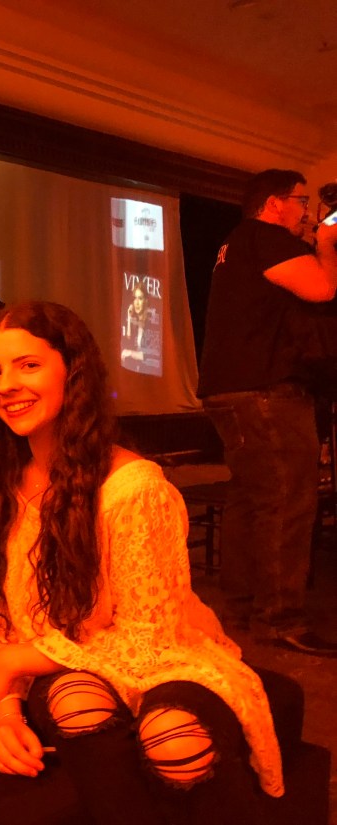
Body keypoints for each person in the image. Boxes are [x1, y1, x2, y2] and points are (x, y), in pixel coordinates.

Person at [0, 301, 282, 825]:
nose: (7, 385)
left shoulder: (132, 487)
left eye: (28, 365)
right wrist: (4, 713)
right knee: (76, 700)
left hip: (161, 660)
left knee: (174, 738)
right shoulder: (0, 486)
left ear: (73, 371)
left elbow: (148, 639)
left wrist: (20, 659)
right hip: (66, 674)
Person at [197, 168, 337, 655]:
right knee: (287, 501)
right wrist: (327, 245)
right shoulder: (265, 237)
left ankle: (241, 606)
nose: (307, 213)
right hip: (264, 392)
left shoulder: (234, 243)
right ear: (275, 203)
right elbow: (322, 288)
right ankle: (279, 618)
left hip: (229, 390)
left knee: (251, 500)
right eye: (302, 202)